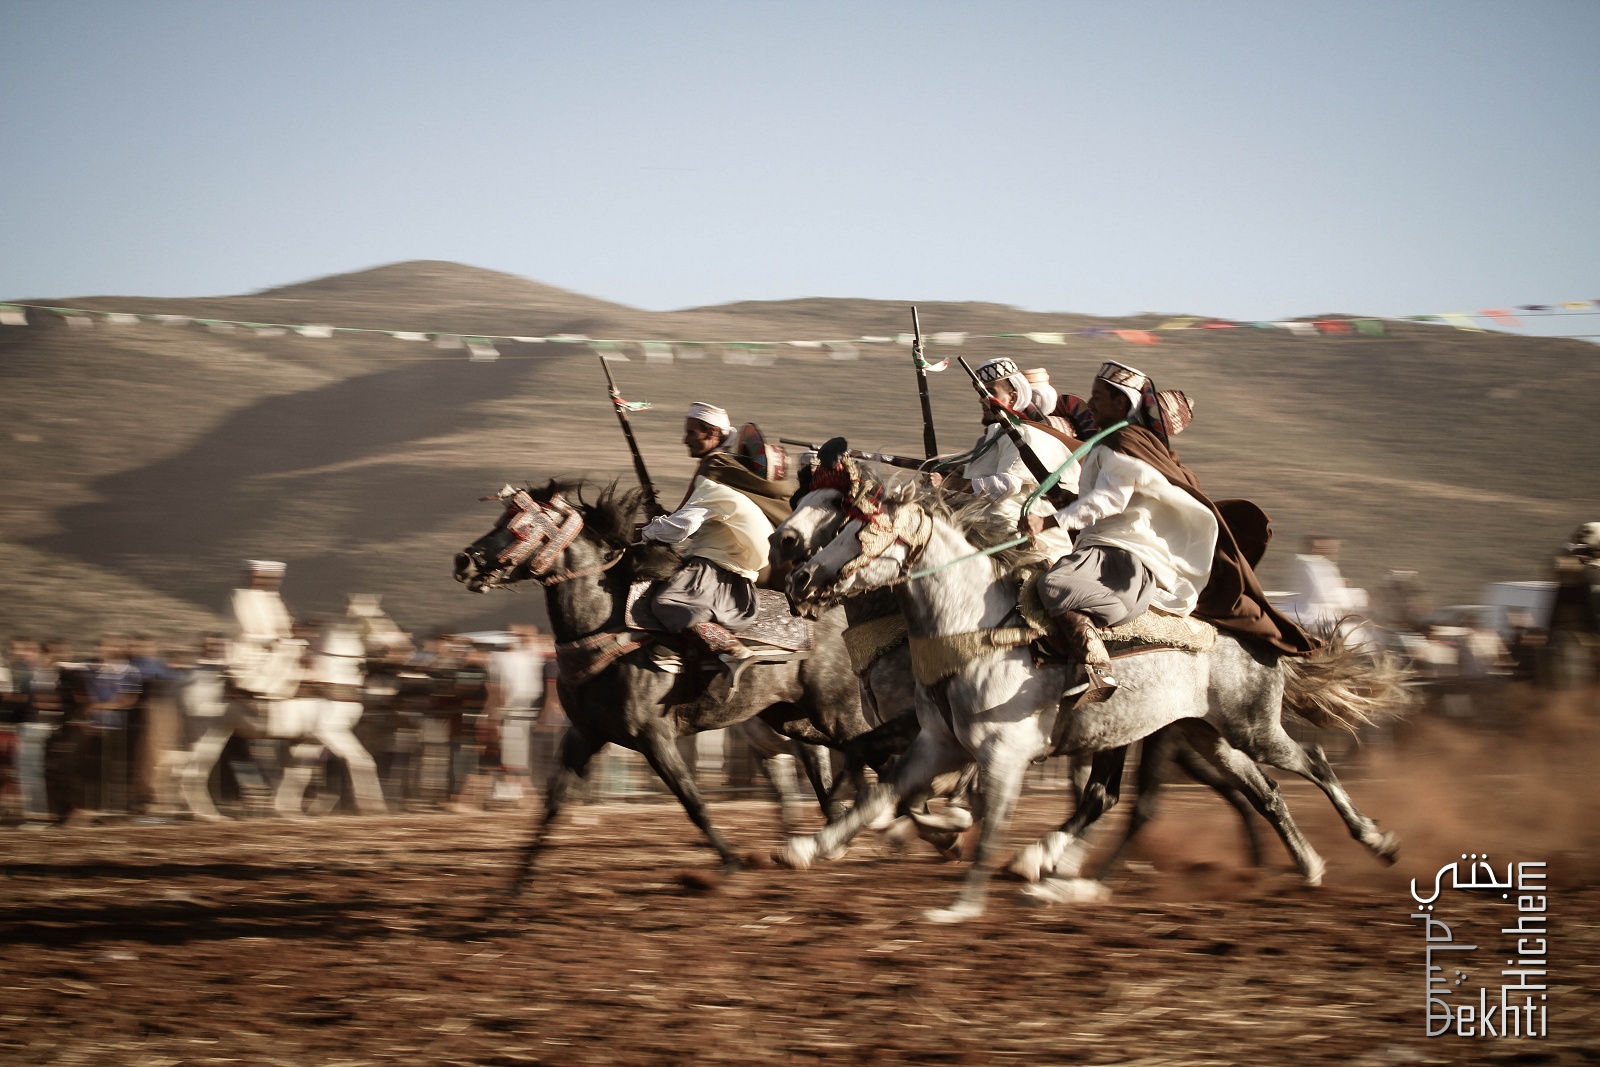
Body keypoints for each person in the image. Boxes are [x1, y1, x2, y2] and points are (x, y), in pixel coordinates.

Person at [1023, 360, 1319, 702]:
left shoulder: (1122, 442)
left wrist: (1049, 522)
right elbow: (1110, 498)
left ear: (1120, 403)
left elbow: (1111, 502)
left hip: (1119, 552)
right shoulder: (1118, 442)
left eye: (1098, 396)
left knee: (1054, 584)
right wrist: (1066, 500)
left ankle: (1097, 662)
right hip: (1104, 543)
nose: (1091, 404)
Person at [641, 403, 796, 668]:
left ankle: (729, 647)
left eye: (691, 433)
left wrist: (644, 531)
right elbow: (695, 519)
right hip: (731, 560)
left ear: (712, 432)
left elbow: (681, 526)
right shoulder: (727, 479)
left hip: (719, 567)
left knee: (665, 601)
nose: (685, 439)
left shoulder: (715, 473)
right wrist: (661, 518)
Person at [953, 357, 1079, 560]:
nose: (982, 399)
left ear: (1011, 397)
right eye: (981, 393)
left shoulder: (1025, 434)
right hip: (986, 518)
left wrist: (954, 484)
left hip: (1024, 532)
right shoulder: (993, 436)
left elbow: (1007, 485)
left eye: (990, 392)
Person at [228, 560, 302, 700]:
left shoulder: (276, 599)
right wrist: (274, 640)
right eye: (264, 577)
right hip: (252, 652)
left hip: (279, 651)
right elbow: (245, 631)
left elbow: (285, 629)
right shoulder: (243, 597)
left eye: (273, 578)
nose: (270, 581)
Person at [1284, 537, 1369, 633]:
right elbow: (1321, 593)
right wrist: (1348, 609)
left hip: (1320, 614)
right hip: (1314, 616)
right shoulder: (1310, 566)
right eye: (1329, 548)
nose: (1333, 551)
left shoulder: (1323, 565)